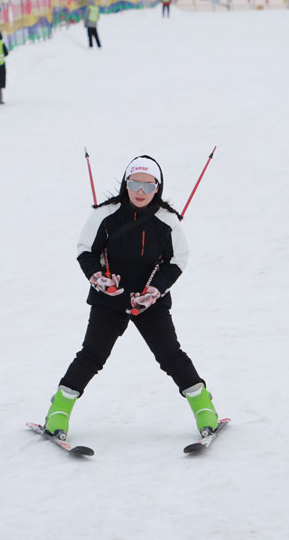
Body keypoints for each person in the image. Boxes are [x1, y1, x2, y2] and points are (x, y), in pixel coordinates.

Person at [42, 155, 220, 441]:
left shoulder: (167, 220)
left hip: (149, 302)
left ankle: (204, 408)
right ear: (126, 184)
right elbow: (85, 250)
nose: (140, 191)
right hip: (109, 299)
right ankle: (58, 412)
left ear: (157, 189)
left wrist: (155, 291)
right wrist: (99, 279)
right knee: (92, 356)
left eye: (148, 186)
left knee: (170, 355)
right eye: (135, 183)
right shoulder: (105, 214)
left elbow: (178, 260)